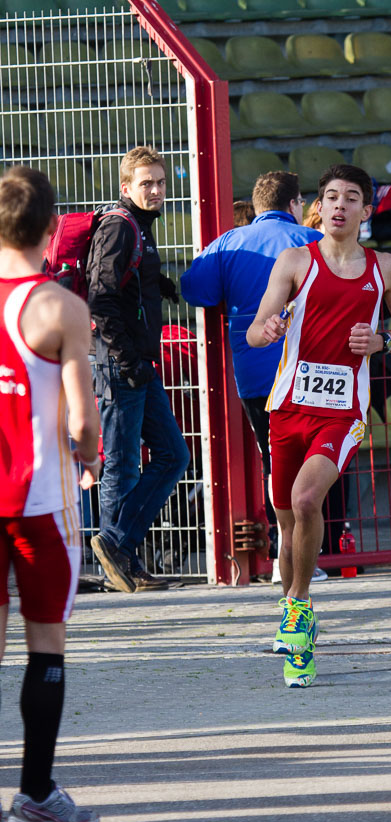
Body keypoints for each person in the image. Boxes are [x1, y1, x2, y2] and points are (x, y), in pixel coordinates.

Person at [246, 163, 391, 688]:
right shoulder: (295, 260)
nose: (339, 205)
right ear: (318, 207)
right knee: (284, 518)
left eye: (351, 198)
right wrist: (270, 326)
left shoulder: (385, 267)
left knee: (305, 501)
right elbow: (255, 331)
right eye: (330, 196)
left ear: (367, 211)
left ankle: (299, 608)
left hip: (343, 412)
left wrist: (383, 341)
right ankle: (296, 633)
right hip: (287, 407)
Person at [0, 166, 101, 822]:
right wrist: (89, 458)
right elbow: (83, 421)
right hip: (39, 502)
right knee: (46, 643)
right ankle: (35, 795)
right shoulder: (60, 307)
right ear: (54, 227)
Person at [181, 171, 324, 580]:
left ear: (258, 207)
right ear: (295, 204)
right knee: (315, 462)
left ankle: (284, 559)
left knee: (275, 460)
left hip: (256, 372)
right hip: (311, 368)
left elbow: (195, 290)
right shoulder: (311, 241)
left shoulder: (228, 243)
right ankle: (306, 558)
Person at [88, 146, 190, 593]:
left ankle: (120, 549)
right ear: (126, 187)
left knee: (172, 454)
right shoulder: (119, 226)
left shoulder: (140, 228)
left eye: (161, 182)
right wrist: (127, 360)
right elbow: (101, 299)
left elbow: (123, 288)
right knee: (125, 466)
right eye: (146, 183)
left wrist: (157, 284)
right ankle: (118, 561)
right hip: (120, 363)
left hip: (137, 363)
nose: (156, 190)